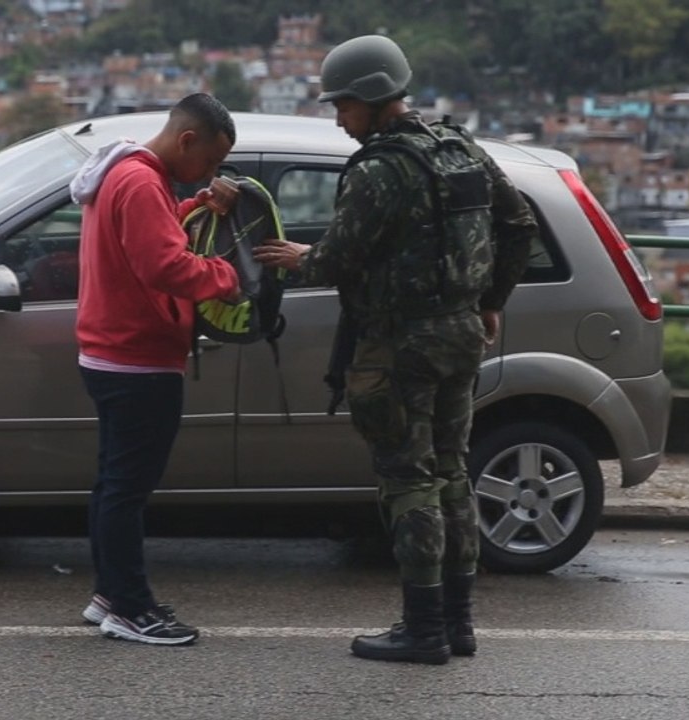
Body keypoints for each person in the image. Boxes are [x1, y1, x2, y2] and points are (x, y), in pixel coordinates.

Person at [254, 35, 539, 665]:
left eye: (345, 106)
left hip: (400, 345)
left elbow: (339, 258)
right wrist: (490, 301)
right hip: (461, 332)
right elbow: (519, 227)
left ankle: (423, 628)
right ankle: (458, 624)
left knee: (408, 481)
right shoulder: (459, 147)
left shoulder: (379, 171)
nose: (338, 119)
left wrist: (301, 258)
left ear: (375, 97)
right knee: (452, 471)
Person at [71, 93, 241, 646]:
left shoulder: (124, 172)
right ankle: (131, 607)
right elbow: (163, 263)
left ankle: (109, 594)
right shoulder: (143, 182)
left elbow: (151, 233)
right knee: (127, 489)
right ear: (187, 140)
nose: (210, 174)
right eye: (210, 163)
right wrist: (228, 275)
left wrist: (195, 208)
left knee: (113, 484)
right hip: (137, 357)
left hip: (109, 352)